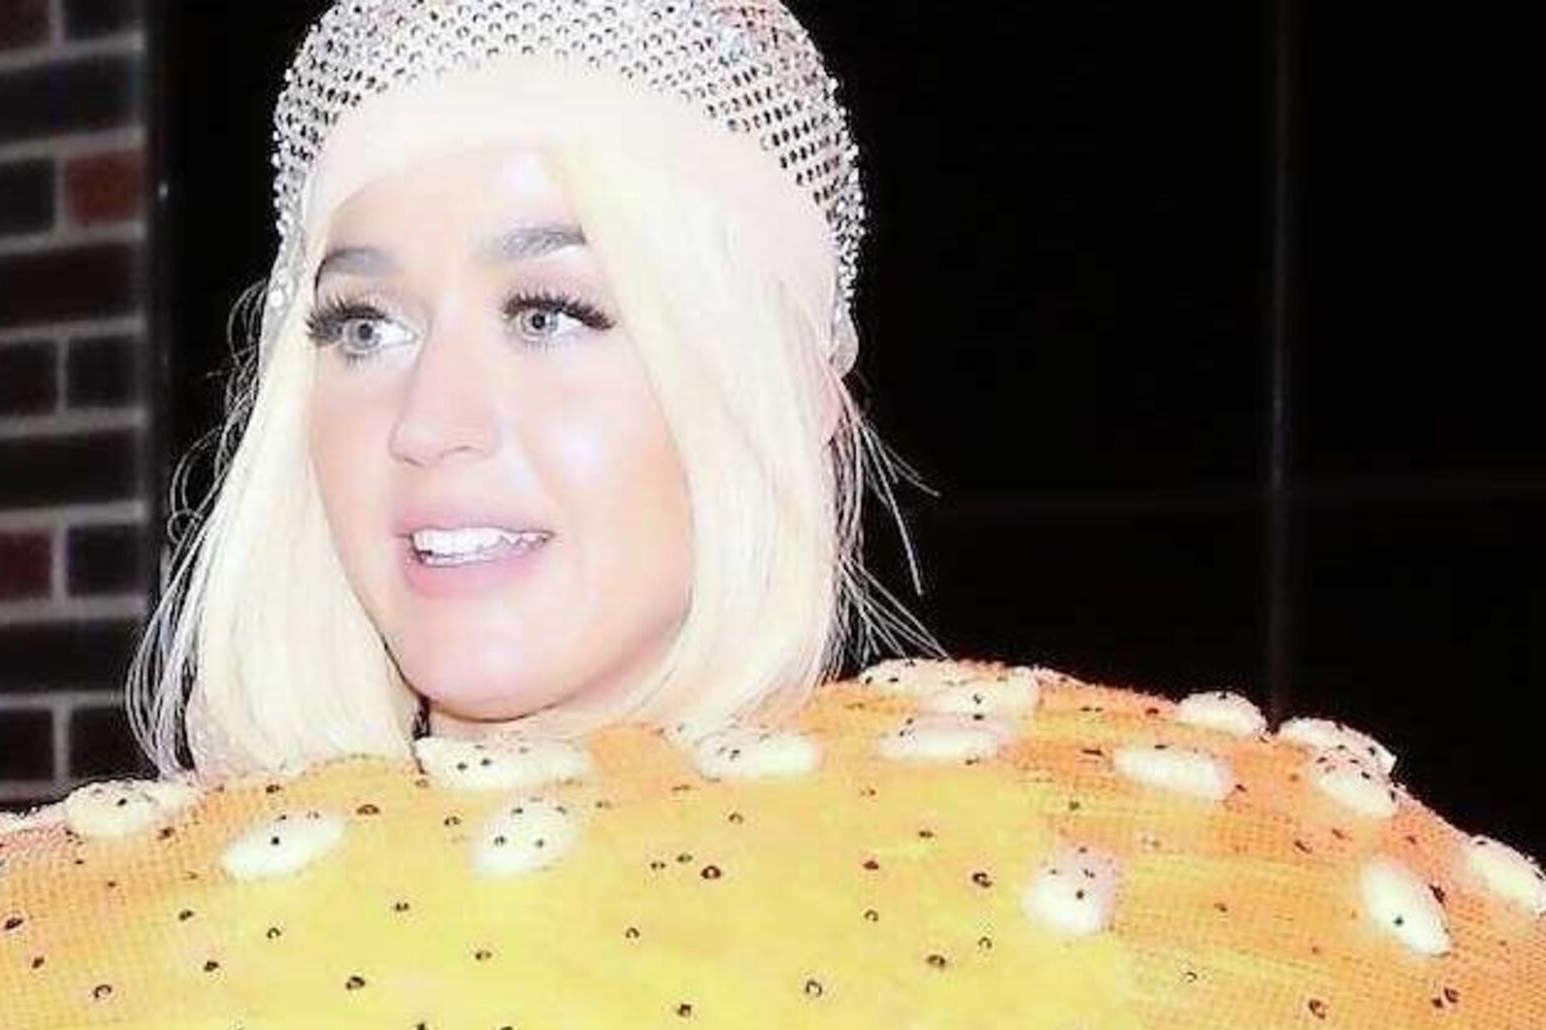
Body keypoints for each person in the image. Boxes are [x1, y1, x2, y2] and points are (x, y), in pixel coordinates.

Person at [123, 0, 940, 783]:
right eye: (367, 327)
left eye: (547, 316)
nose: (429, 423)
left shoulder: (962, 860)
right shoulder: (140, 876)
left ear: (787, 389)